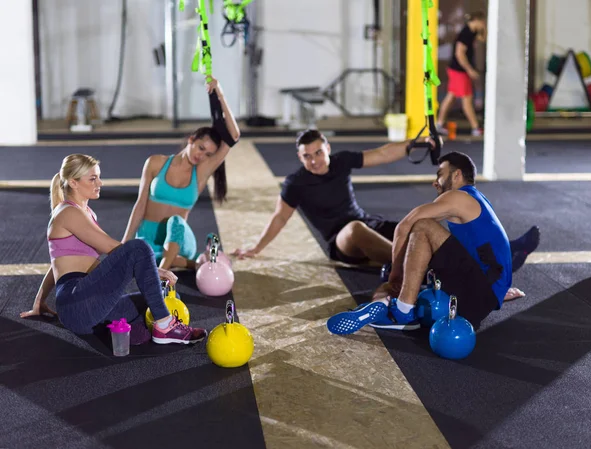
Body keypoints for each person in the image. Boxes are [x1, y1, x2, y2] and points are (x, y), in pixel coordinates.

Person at [233, 130, 539, 283]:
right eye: (307, 156)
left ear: (327, 148)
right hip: (342, 241)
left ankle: (494, 254)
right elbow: (279, 218)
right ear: (300, 158)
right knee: (356, 229)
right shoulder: (295, 183)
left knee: (424, 226)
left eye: (318, 152)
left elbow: (380, 154)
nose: (314, 160)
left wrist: (415, 145)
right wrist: (256, 248)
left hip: (370, 224)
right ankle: (426, 271)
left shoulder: (340, 162)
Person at [20, 154, 207, 345]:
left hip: (91, 303)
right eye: (92, 179)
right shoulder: (68, 212)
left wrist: (39, 301)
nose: (99, 183)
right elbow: (112, 248)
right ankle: (165, 327)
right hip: (77, 303)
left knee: (164, 299)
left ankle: (137, 331)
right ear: (73, 183)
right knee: (139, 248)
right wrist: (153, 269)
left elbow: (56, 263)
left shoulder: (86, 213)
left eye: (99, 177)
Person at [327, 151, 513, 334]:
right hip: (482, 293)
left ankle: (403, 312)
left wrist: (396, 272)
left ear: (457, 175)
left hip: (478, 295)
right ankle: (382, 304)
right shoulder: (478, 199)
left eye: (440, 175)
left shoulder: (458, 196)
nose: (435, 182)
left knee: (424, 226)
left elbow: (404, 225)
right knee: (400, 282)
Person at [122, 76, 240, 271]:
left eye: (208, 154)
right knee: (142, 258)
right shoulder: (155, 163)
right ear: (191, 140)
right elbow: (140, 204)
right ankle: (193, 265)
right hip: (148, 238)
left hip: (180, 240)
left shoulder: (201, 173)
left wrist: (219, 92)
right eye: (200, 148)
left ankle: (163, 274)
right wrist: (125, 243)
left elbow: (233, 136)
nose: (202, 156)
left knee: (175, 221)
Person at [436, 11, 487, 137]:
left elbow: (483, 39)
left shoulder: (472, 31)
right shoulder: (466, 33)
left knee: (451, 97)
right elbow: (459, 53)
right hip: (460, 71)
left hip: (456, 70)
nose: (484, 24)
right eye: (483, 22)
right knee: (467, 100)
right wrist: (469, 70)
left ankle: (439, 124)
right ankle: (475, 128)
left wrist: (483, 29)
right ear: (477, 20)